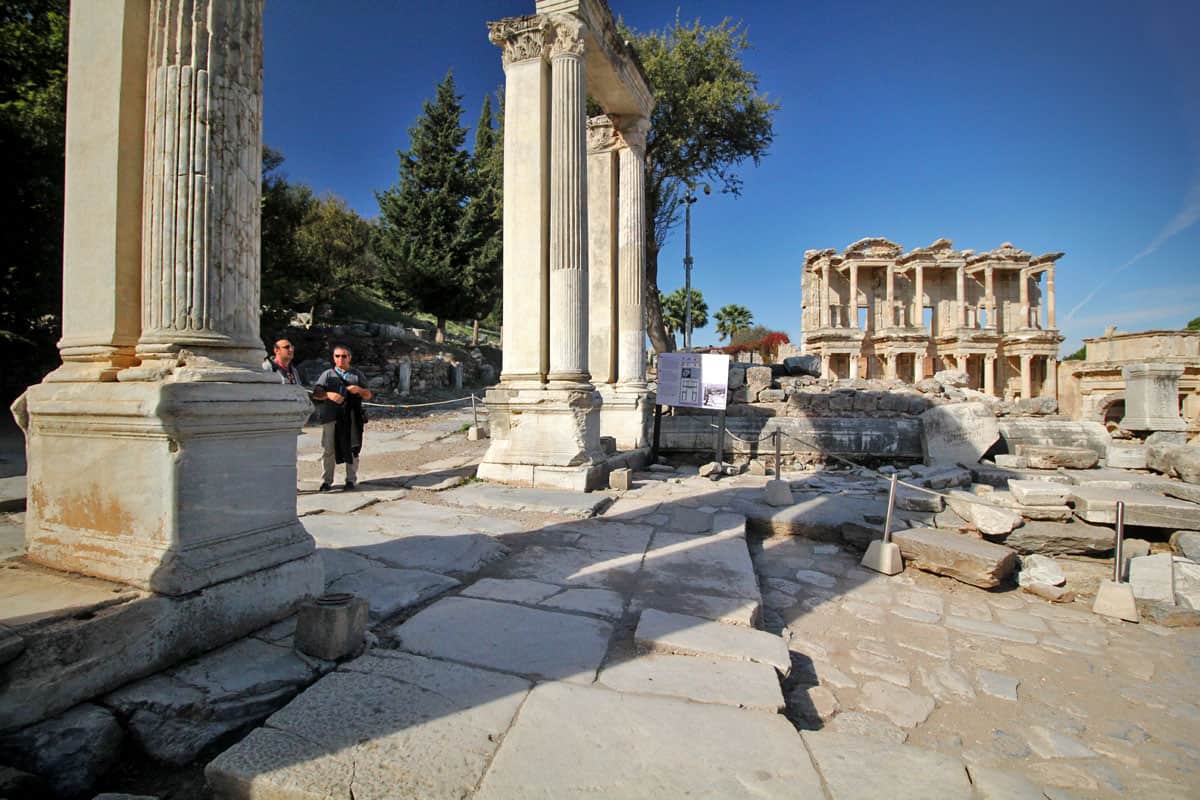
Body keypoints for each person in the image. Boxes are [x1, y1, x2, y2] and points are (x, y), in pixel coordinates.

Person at [314, 345, 372, 491]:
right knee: (329, 449)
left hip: (352, 416)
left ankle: (351, 480)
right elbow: (316, 393)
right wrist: (328, 395)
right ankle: (327, 481)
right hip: (331, 416)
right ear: (333, 358)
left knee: (353, 448)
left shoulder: (357, 375)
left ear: (349, 358)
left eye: (344, 356)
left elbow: (368, 395)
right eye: (337, 356)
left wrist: (358, 389)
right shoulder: (327, 374)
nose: (341, 359)